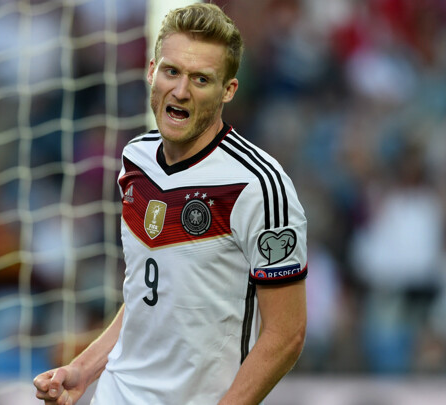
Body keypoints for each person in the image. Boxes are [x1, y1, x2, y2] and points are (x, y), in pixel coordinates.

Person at [34, 3, 307, 404]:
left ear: (228, 90)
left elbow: (287, 334)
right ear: (151, 71)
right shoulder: (135, 158)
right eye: (172, 71)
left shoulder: (260, 186)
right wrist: (84, 369)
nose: (181, 90)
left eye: (201, 79)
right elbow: (146, 296)